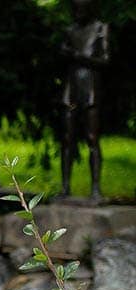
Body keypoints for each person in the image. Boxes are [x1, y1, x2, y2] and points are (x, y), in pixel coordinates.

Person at [60, 0, 109, 201]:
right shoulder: (69, 30)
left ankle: (95, 188)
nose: (78, 12)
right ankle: (65, 187)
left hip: (90, 90)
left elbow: (105, 59)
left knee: (92, 138)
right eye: (75, 9)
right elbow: (61, 53)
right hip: (71, 89)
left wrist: (80, 57)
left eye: (81, 8)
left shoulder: (100, 28)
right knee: (67, 138)